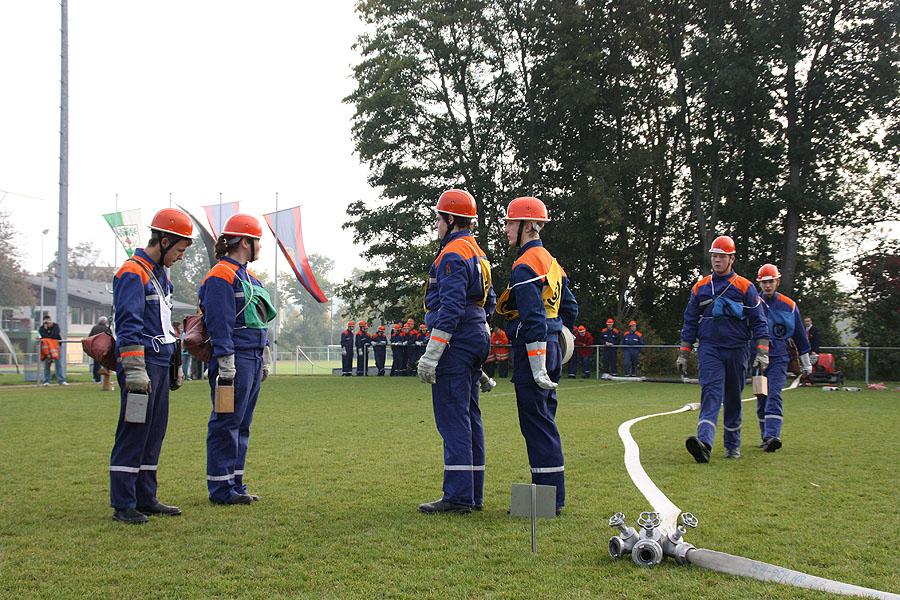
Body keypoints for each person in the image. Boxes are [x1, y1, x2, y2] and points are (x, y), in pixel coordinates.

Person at [108, 208, 193, 524]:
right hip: (141, 365)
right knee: (134, 430)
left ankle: (145, 496)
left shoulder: (160, 275)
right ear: (166, 240)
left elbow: (164, 323)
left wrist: (176, 363)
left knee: (154, 432)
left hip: (159, 362)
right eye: (180, 250)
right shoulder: (133, 272)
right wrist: (133, 369)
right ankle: (123, 503)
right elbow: (128, 323)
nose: (181, 257)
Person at [496, 196, 578, 515]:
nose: (506, 228)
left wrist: (536, 359)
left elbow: (531, 319)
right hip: (551, 346)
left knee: (536, 424)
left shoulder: (525, 264)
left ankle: (547, 501)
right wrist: (556, 334)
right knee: (545, 420)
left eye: (510, 222)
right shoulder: (552, 262)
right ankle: (549, 496)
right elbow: (570, 308)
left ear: (527, 226)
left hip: (535, 351)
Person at [417, 189, 496, 514]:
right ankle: (472, 493)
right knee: (470, 418)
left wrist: (432, 354)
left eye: (438, 218)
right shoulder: (477, 252)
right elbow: (488, 303)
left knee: (453, 419)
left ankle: (459, 496)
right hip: (476, 334)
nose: (436, 224)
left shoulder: (452, 254)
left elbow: (449, 308)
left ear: (450, 219)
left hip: (458, 338)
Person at [200, 213, 275, 505]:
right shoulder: (220, 274)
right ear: (245, 242)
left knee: (242, 422)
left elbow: (258, 318)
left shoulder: (247, 275)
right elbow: (220, 321)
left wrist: (264, 350)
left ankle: (235, 484)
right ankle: (220, 489)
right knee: (226, 422)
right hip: (235, 358)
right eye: (258, 242)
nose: (260, 248)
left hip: (252, 356)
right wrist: (225, 361)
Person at [677, 235, 768, 463]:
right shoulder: (700, 287)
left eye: (722, 256)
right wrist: (684, 352)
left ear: (731, 258)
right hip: (709, 349)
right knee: (710, 394)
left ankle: (732, 446)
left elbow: (759, 321)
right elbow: (690, 321)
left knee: (733, 398)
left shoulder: (746, 287)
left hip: (738, 350)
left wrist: (762, 350)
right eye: (714, 256)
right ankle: (704, 444)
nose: (717, 260)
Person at [755, 264, 813, 452]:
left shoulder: (789, 305)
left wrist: (805, 362)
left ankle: (773, 436)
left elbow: (799, 335)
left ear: (777, 282)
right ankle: (765, 436)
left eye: (770, 281)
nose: (767, 285)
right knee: (761, 397)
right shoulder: (753, 303)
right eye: (764, 282)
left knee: (774, 394)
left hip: (779, 355)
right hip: (757, 357)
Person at [38, 314, 66, 386]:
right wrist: (46, 329)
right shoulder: (42, 328)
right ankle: (47, 381)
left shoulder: (55, 326)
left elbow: (56, 334)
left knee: (58, 364)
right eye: (46, 322)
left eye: (48, 321)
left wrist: (49, 336)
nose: (47, 323)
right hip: (47, 349)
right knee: (47, 364)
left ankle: (61, 380)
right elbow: (43, 335)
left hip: (56, 348)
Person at [88, 316, 112, 383]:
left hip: (96, 349)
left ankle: (96, 378)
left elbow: (90, 337)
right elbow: (110, 338)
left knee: (96, 364)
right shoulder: (107, 329)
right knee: (106, 364)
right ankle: (105, 379)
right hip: (104, 348)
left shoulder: (94, 328)